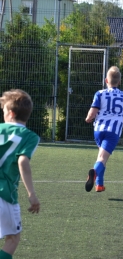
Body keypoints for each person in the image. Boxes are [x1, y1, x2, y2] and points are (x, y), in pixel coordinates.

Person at [0, 89, 40, 259]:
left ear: (10, 113)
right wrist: (32, 195)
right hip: (5, 193)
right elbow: (22, 161)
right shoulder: (29, 136)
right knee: (13, 238)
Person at [85, 66, 123, 192]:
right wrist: (118, 120)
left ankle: (99, 185)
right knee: (102, 158)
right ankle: (94, 173)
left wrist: (88, 118)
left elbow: (92, 113)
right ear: (119, 82)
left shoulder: (99, 93)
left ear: (106, 80)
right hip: (113, 131)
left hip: (98, 129)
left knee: (101, 156)